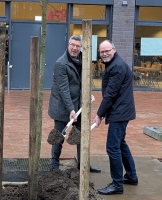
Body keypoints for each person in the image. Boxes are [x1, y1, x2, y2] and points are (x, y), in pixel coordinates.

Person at [48, 35, 101, 173]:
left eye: (78, 46)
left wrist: (87, 94)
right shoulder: (61, 63)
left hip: (79, 104)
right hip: (62, 106)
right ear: (68, 45)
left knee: (80, 134)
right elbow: (64, 89)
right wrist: (71, 110)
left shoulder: (83, 60)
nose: (75, 48)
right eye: (72, 45)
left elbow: (84, 81)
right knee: (59, 135)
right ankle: (54, 165)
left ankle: (83, 164)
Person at [94, 40, 138, 195]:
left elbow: (111, 94)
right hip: (121, 110)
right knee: (120, 144)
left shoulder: (117, 66)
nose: (104, 53)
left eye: (107, 50)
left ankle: (117, 184)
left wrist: (99, 114)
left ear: (114, 50)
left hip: (120, 112)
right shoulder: (114, 64)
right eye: (102, 52)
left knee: (112, 147)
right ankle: (131, 176)